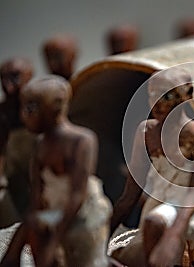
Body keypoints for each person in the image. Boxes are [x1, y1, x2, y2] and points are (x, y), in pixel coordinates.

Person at [109, 68, 194, 267]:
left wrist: (174, 234)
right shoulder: (147, 131)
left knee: (156, 224)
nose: (157, 102)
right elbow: (131, 191)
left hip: (188, 210)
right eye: (152, 94)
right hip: (155, 207)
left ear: (187, 95)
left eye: (167, 95)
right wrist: (105, 231)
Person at [0, 76, 111, 267]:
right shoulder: (40, 144)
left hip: (83, 214)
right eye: (24, 107)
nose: (23, 115)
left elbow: (77, 195)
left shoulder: (81, 141)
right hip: (54, 211)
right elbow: (36, 197)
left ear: (54, 108)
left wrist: (54, 240)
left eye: (31, 108)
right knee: (29, 229)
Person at [0, 58, 34, 220]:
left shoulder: (40, 110)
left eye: (15, 76)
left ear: (29, 76)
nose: (8, 85)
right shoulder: (2, 113)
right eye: (3, 78)